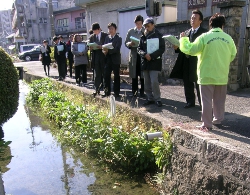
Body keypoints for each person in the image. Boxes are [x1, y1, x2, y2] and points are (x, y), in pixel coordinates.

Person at [179, 13, 237, 130]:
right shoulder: (228, 38)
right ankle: (218, 119)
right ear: (222, 25)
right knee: (219, 101)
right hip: (221, 74)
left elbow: (191, 49)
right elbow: (233, 54)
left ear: (210, 25)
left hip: (206, 74)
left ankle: (206, 124)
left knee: (206, 101)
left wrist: (183, 39)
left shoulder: (204, 37)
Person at [170, 9, 207, 109]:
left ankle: (202, 103)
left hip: (198, 61)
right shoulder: (186, 33)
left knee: (199, 83)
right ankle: (190, 101)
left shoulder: (204, 33)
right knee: (187, 82)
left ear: (200, 21)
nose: (192, 20)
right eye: (191, 18)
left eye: (195, 18)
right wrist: (177, 47)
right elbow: (183, 47)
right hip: (187, 60)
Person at [137, 18, 165, 107]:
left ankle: (158, 99)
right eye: (145, 26)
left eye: (148, 26)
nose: (146, 28)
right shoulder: (143, 36)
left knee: (154, 81)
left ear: (153, 25)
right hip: (145, 62)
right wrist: (145, 54)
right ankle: (150, 98)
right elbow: (139, 49)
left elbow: (162, 49)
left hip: (154, 62)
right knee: (147, 82)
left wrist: (151, 56)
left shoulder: (159, 35)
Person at [125, 15, 145, 97]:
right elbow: (126, 42)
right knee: (134, 74)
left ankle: (143, 91)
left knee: (142, 74)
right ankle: (134, 91)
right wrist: (130, 44)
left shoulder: (145, 31)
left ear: (142, 23)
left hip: (142, 54)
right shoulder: (131, 31)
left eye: (140, 23)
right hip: (134, 54)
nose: (138, 25)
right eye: (137, 23)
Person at [102, 22, 122, 98]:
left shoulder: (118, 38)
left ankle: (116, 92)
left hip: (115, 60)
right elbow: (104, 46)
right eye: (109, 29)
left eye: (112, 29)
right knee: (106, 75)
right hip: (107, 59)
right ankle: (107, 91)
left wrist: (108, 50)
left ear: (115, 29)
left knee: (116, 76)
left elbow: (117, 49)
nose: (110, 30)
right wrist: (104, 51)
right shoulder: (107, 38)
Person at [89, 23, 108, 97]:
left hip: (104, 55)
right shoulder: (92, 37)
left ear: (99, 29)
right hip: (96, 56)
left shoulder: (105, 35)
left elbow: (108, 45)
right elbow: (90, 46)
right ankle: (97, 89)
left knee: (105, 73)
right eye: (93, 31)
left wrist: (102, 47)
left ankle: (106, 89)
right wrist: (90, 48)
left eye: (95, 31)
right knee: (97, 73)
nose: (94, 32)